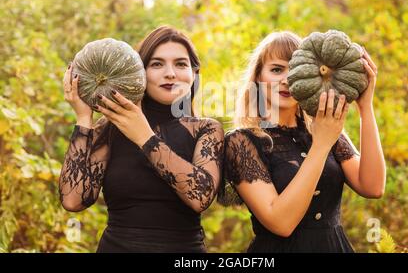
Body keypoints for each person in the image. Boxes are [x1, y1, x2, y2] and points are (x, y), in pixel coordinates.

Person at [60, 25, 224, 252]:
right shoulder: (110, 129)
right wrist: (83, 118)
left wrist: (144, 136)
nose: (170, 73)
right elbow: (73, 200)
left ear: (194, 73)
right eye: (157, 64)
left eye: (181, 64)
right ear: (140, 71)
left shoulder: (206, 130)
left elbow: (200, 198)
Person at [219, 31, 386, 252]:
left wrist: (366, 107)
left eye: (295, 69)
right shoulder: (242, 142)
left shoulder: (323, 129)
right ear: (258, 78)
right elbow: (281, 223)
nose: (287, 79)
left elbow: (372, 186)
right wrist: (321, 144)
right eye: (277, 69)